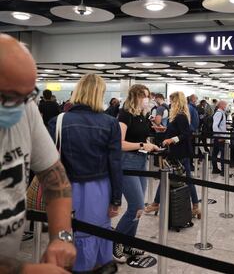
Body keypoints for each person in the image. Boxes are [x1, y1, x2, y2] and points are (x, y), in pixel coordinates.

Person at [0, 33, 76, 273]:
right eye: (11, 97)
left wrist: (62, 236)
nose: (22, 106)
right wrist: (24, 270)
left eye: (29, 95)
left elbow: (55, 175)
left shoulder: (25, 108)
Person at [48, 74, 122, 271]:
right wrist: (116, 199)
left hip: (65, 189)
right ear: (100, 94)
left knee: (68, 233)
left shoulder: (58, 121)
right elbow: (115, 164)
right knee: (97, 234)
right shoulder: (110, 123)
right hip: (99, 189)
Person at [113, 84, 159, 263]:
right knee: (137, 206)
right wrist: (142, 145)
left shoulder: (143, 116)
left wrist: (149, 144)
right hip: (127, 162)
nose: (147, 99)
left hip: (141, 162)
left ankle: (127, 244)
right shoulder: (125, 114)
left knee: (139, 209)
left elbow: (141, 138)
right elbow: (119, 143)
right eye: (144, 96)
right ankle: (115, 243)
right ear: (135, 97)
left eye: (148, 95)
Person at [145, 92, 201, 218]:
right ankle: (195, 206)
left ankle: (156, 203)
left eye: (172, 101)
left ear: (177, 102)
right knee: (173, 177)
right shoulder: (178, 116)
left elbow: (185, 134)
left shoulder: (180, 116)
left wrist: (171, 140)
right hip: (178, 152)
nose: (170, 104)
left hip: (180, 152)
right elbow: (178, 131)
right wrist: (165, 130)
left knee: (177, 177)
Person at [212, 100, 227, 175]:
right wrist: (220, 136)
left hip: (218, 137)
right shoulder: (219, 113)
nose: (226, 106)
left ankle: (215, 169)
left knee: (215, 153)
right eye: (225, 105)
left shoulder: (221, 113)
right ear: (221, 105)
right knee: (223, 154)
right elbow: (215, 126)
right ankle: (223, 171)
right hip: (219, 138)